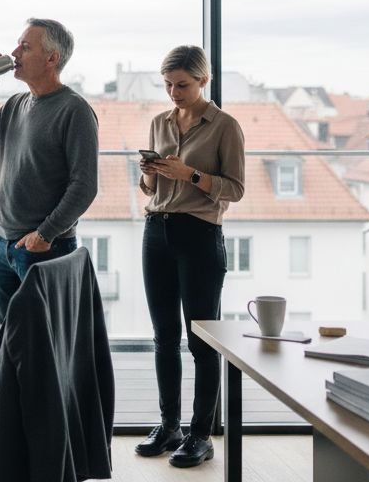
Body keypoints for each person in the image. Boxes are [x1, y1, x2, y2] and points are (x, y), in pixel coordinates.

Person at [133, 45, 245, 468]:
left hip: (200, 234)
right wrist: (149, 172)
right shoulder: (159, 122)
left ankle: (201, 434)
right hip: (156, 230)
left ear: (204, 81)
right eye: (167, 85)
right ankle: (169, 426)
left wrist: (190, 174)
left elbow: (234, 188)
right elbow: (149, 190)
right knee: (163, 337)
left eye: (182, 85)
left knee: (201, 341)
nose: (174, 93)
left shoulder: (225, 126)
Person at [0, 18, 99, 323]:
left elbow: (84, 186)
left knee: (46, 347)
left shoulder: (74, 110)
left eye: (25, 46)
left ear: (52, 58)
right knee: (8, 345)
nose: (14, 53)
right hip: (4, 246)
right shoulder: (16, 104)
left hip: (45, 249)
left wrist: (44, 235)